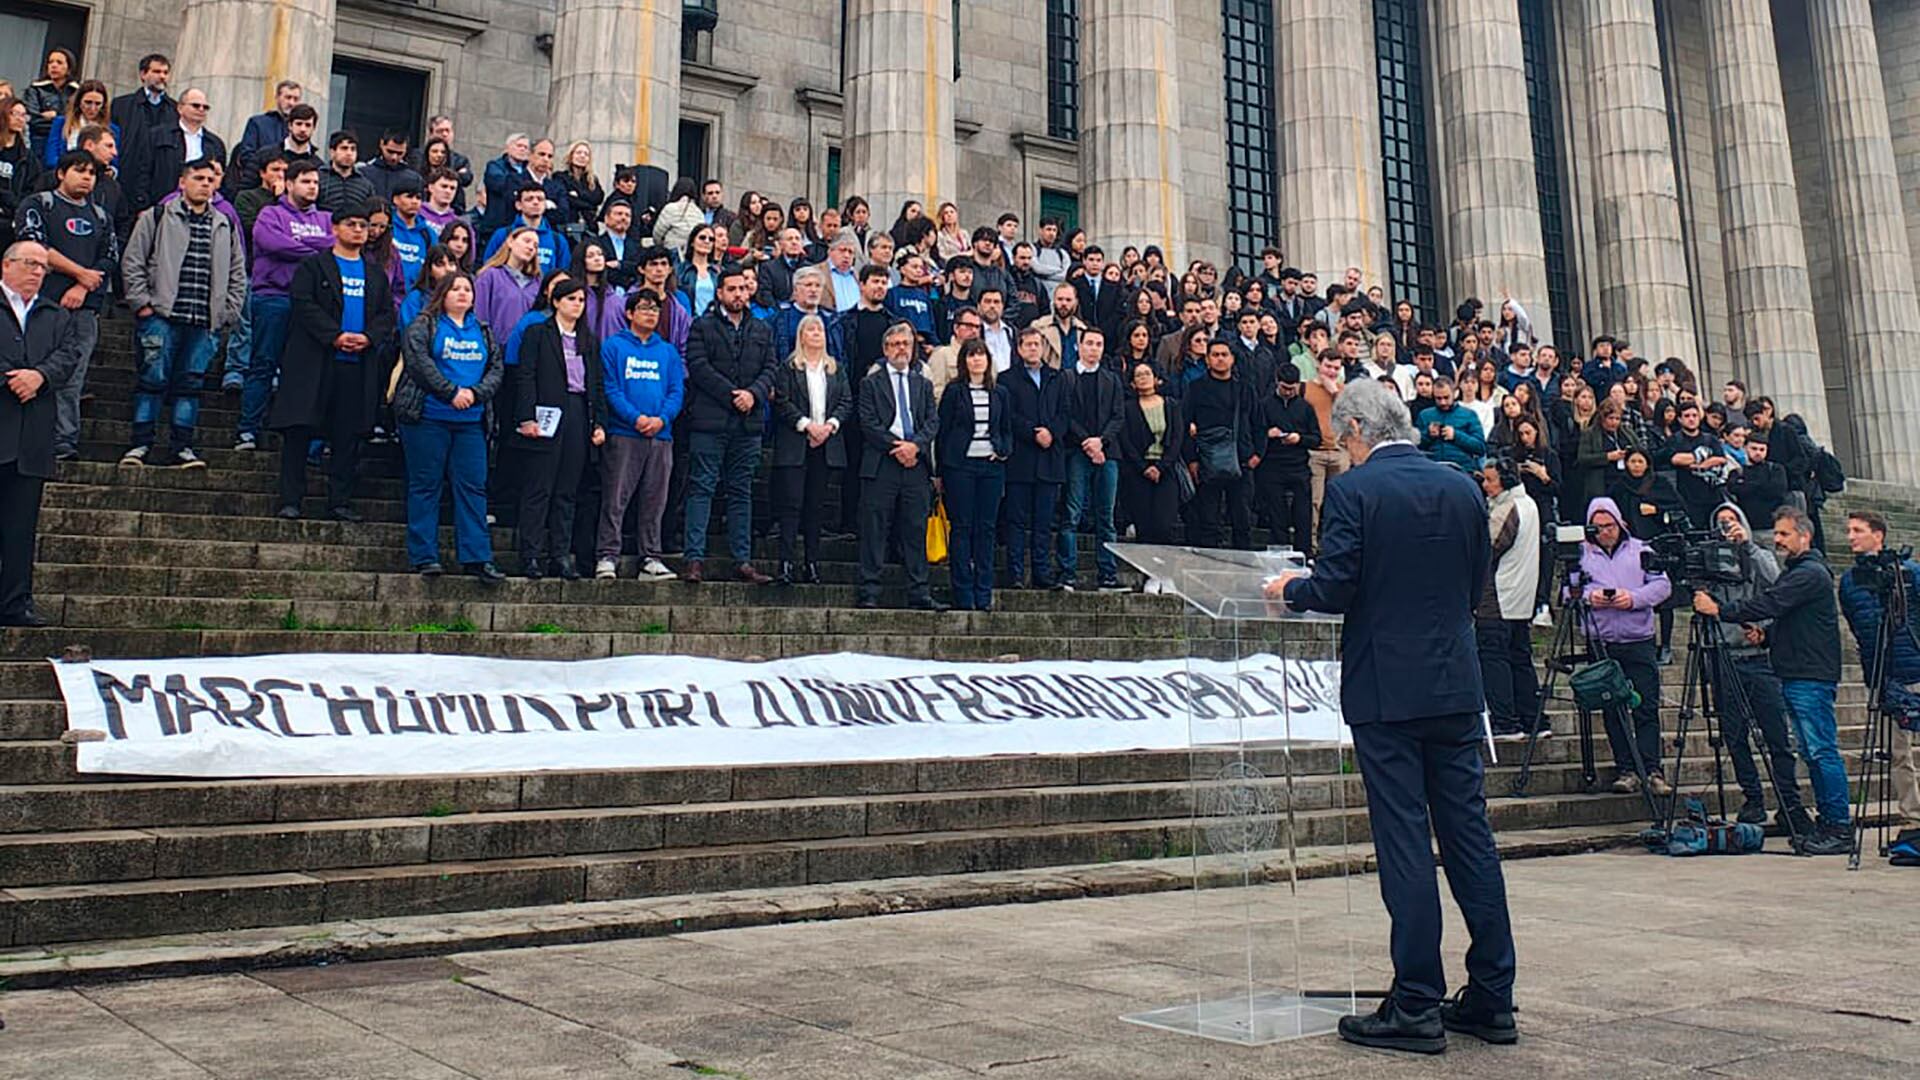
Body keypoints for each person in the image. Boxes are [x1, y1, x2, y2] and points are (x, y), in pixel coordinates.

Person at [1265, 378, 1515, 1055]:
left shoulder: (1355, 491)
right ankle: (1493, 996)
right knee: (1469, 838)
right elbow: (1474, 586)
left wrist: (1292, 590)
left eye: (1340, 441)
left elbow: (1337, 585)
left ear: (1353, 432)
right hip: (1456, 687)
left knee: (1404, 842)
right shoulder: (1464, 486)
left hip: (1387, 690)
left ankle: (1415, 1003)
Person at [1693, 505, 1852, 854]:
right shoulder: (1800, 571)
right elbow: (1789, 618)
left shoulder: (1808, 573)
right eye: (1776, 533)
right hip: (1795, 670)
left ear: (1804, 536)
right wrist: (1765, 637)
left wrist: (1722, 611)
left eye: (1783, 534)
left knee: (1821, 752)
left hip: (1809, 674)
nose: (1777, 539)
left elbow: (1772, 602)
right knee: (1811, 752)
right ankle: (1829, 823)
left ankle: (1839, 826)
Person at [267, 201, 393, 521]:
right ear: (334, 228)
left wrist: (368, 337)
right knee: (299, 433)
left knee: (347, 436)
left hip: (356, 365)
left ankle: (339, 501)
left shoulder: (375, 273)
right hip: (316, 362)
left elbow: (385, 314)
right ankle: (291, 498)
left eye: (363, 226)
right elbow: (303, 304)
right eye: (351, 224)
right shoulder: (313, 266)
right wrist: (334, 335)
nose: (358, 230)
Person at [118, 158, 247, 468]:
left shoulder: (224, 223)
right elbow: (133, 260)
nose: (205, 184)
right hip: (161, 315)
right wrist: (142, 304)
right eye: (198, 178)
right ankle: (141, 444)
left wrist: (227, 312)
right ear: (182, 182)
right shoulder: (158, 215)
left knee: (191, 384)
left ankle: (182, 446)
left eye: (210, 179)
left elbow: (237, 272)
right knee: (152, 379)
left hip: (204, 320)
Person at [1692, 502, 1811, 834]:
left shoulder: (1758, 555)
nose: (1726, 527)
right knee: (1734, 736)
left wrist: (1747, 545)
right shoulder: (1708, 557)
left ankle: (1790, 804)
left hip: (1758, 657)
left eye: (1731, 521)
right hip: (1723, 656)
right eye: (1720, 523)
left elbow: (1776, 582)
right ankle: (1753, 799)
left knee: (1776, 735)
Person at [393, 270, 504, 583]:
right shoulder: (425, 324)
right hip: (428, 418)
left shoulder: (482, 330)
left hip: (470, 423)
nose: (462, 294)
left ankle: (477, 557)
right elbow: (418, 364)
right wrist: (450, 391)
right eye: (455, 288)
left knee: (473, 488)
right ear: (442, 293)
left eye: (467, 289)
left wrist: (474, 393)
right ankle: (424, 556)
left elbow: (495, 369)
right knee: (425, 485)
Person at [0, 240, 83, 626]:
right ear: (7, 265)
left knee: (21, 528)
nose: (37, 271)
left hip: (32, 435)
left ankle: (16, 602)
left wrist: (41, 376)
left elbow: (69, 355)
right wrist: (11, 377)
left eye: (43, 267)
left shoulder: (53, 314)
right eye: (30, 263)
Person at [16, 152, 116, 462]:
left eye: (92, 173)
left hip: (83, 308)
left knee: (72, 377)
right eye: (79, 170)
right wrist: (79, 273)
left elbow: (109, 257)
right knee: (30, 371)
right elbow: (35, 246)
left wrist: (83, 285)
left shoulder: (101, 216)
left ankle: (63, 442)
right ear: (61, 173)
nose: (86, 177)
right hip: (39, 304)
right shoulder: (39, 205)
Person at [681, 266, 775, 584]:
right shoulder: (702, 326)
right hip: (709, 420)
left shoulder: (762, 329)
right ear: (719, 293)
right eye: (731, 289)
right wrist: (731, 395)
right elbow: (697, 365)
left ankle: (742, 560)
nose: (737, 294)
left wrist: (753, 394)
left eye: (742, 289)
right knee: (701, 488)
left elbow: (770, 368)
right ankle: (694, 558)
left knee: (741, 492)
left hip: (747, 425)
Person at [1838, 509, 1920, 863]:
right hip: (1881, 676)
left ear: (1879, 535)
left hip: (1915, 668)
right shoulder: (1849, 581)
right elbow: (1856, 625)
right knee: (1898, 754)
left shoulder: (1911, 573)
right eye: (1849, 531)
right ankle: (1913, 818)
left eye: (1858, 530)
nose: (1851, 537)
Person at [236, 159, 333, 450]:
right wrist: (314, 250)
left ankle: (291, 430)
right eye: (306, 181)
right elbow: (272, 243)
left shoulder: (326, 219)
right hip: (273, 298)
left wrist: (297, 245)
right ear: (289, 184)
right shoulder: (270, 213)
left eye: (315, 182)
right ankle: (247, 430)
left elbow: (334, 244)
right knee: (263, 364)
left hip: (312, 304)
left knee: (303, 371)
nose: (312, 187)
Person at [1579, 497, 1673, 795]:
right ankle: (1626, 768)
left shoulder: (1642, 550)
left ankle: (1652, 768)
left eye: (1610, 525)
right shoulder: (1582, 554)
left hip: (1638, 638)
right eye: (1598, 526)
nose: (1605, 531)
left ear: (1620, 523)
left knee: (1645, 705)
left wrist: (1633, 598)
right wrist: (1591, 595)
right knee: (1613, 709)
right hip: (1602, 639)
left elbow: (1662, 585)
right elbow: (1570, 588)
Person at [513, 277, 604, 580]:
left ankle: (561, 554)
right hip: (547, 412)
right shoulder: (537, 333)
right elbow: (525, 376)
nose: (577, 305)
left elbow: (596, 385)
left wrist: (598, 422)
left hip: (579, 412)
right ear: (555, 301)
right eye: (571, 299)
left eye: (581, 300)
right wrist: (526, 417)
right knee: (539, 487)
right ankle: (530, 554)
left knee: (567, 489)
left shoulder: (588, 340)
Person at [596, 289, 682, 581]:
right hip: (624, 433)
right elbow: (610, 389)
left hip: (661, 435)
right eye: (644, 308)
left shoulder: (667, 351)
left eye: (655, 309)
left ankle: (650, 557)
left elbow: (676, 391)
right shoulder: (613, 347)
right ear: (629, 313)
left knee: (655, 500)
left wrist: (661, 419)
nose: (651, 313)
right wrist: (636, 418)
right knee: (615, 498)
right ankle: (607, 555)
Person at [855, 320, 939, 610]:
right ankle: (869, 590)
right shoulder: (870, 383)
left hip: (915, 464)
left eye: (906, 344)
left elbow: (931, 421)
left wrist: (914, 446)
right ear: (885, 349)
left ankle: (919, 591)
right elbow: (868, 422)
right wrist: (897, 447)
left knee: (915, 528)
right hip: (882, 463)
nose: (901, 349)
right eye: (895, 345)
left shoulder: (923, 384)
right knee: (875, 528)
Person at [769, 311, 849, 585]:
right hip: (796, 443)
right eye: (811, 330)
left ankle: (812, 563)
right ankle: (786, 563)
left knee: (816, 507)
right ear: (801, 336)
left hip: (826, 445)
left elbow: (846, 402)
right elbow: (782, 401)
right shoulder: (788, 368)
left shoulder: (835, 368)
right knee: (791, 505)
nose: (817, 334)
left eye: (820, 330)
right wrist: (807, 425)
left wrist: (830, 426)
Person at [934, 339, 1009, 610]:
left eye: (981, 355)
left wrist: (1002, 450)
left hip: (990, 467)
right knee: (962, 528)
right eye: (971, 355)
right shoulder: (955, 391)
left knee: (986, 529)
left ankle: (983, 592)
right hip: (960, 467)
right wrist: (940, 471)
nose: (977, 360)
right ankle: (963, 592)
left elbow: (1006, 429)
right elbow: (943, 433)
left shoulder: (1000, 392)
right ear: (964, 360)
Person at [1054, 327, 1124, 592]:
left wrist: (1101, 441)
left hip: (1107, 453)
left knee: (1106, 517)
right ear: (1079, 347)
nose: (1094, 348)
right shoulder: (1067, 378)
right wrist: (1088, 442)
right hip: (1077, 452)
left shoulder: (1112, 379)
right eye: (1089, 343)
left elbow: (1118, 416)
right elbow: (1065, 414)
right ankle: (1067, 574)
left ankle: (1107, 574)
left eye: (1099, 344)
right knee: (1071, 514)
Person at [1476, 458, 1540, 737]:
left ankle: (1505, 720)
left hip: (1499, 594)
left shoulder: (1507, 508)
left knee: (1494, 658)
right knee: (1520, 658)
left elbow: (1487, 549)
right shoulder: (1529, 504)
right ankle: (1532, 718)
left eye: (1490, 479)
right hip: (1521, 595)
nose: (1485, 485)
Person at [1004, 327, 1065, 589]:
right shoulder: (1007, 379)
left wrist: (1052, 432)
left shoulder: (1057, 378)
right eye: (1027, 344)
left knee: (1043, 522)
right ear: (1018, 349)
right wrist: (1032, 432)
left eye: (1036, 344)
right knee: (1016, 522)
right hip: (1021, 459)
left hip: (1049, 459)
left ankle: (1042, 573)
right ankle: (1016, 573)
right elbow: (1008, 415)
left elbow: (1065, 412)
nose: (1032, 348)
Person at [1183, 340, 1256, 550]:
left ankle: (1244, 566)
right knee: (1208, 520)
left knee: (1242, 519)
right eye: (1215, 355)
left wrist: (1257, 454)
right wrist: (1192, 460)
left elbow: (1259, 422)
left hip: (1241, 460)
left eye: (1224, 354)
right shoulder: (1196, 388)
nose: (1220, 359)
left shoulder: (1245, 389)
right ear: (1207, 360)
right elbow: (1184, 423)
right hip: (1207, 460)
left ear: (1232, 359)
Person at [1116, 358, 1185, 545]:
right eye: (1138, 375)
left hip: (1166, 469)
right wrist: (1143, 467)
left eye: (1147, 374)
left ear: (1157, 379)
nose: (1143, 378)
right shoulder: (1128, 408)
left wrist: (1161, 467)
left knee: (1164, 525)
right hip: (1138, 470)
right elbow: (1126, 441)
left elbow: (1177, 437)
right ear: (1132, 382)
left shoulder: (1171, 405)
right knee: (1144, 525)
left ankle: (1163, 572)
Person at [1254, 364, 1318, 556]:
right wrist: (1267, 433)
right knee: (1277, 514)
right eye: (1284, 388)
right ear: (1277, 383)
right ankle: (1279, 554)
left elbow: (1316, 438)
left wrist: (1299, 438)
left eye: (1292, 388)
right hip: (1272, 465)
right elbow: (1254, 432)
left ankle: (1304, 553)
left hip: (1298, 464)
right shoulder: (1265, 404)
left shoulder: (1305, 407)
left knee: (1303, 514)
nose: (1288, 392)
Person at [132, 88, 224, 214]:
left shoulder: (215, 144)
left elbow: (219, 179)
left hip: (201, 210)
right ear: (180, 108)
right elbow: (143, 170)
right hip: (161, 206)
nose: (201, 110)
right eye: (195, 105)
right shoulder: (157, 135)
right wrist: (142, 206)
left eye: (205, 107)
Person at [110, 54, 176, 202]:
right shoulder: (121, 105)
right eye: (157, 72)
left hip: (159, 182)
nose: (162, 77)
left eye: (165, 72)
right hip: (127, 176)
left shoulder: (174, 109)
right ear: (143, 74)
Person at [1303, 349, 1346, 535]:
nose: (1331, 371)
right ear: (1319, 365)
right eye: (1328, 366)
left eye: (1336, 368)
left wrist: (1335, 393)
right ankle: (1311, 544)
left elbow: (1349, 416)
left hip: (1339, 451)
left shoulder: (1344, 390)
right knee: (1314, 501)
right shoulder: (1305, 388)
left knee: (1340, 501)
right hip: (1315, 451)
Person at [1416, 377, 1486, 473]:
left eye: (1446, 397)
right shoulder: (1424, 415)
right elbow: (1415, 446)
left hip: (1463, 469)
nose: (1443, 402)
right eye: (1438, 398)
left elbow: (1480, 447)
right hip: (1433, 469)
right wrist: (1428, 434)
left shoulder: (1469, 415)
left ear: (1455, 393)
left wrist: (1456, 435)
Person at [43, 79, 115, 169]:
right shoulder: (61, 123)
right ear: (79, 102)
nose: (92, 108)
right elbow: (51, 157)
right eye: (88, 102)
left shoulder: (112, 129)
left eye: (98, 104)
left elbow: (114, 162)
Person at [317, 131, 373, 216]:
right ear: (332, 152)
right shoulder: (317, 178)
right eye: (344, 148)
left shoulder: (365, 185)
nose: (349, 153)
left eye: (353, 149)